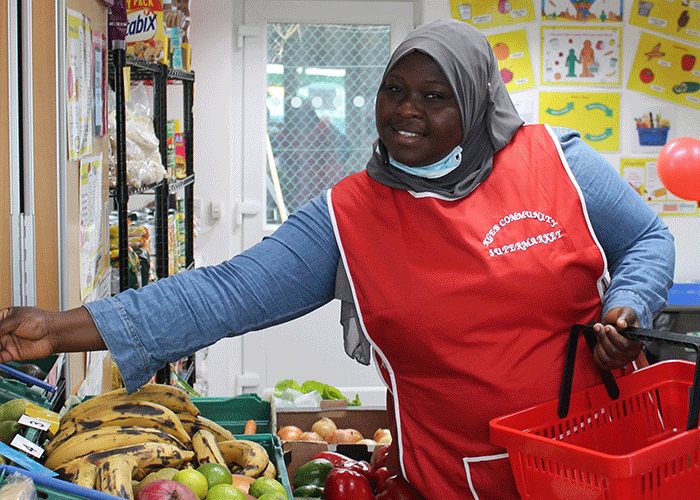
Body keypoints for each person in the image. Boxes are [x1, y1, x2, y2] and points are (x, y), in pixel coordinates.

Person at [0, 19, 674, 499]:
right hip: (451, 476)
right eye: (394, 90)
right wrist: (58, 329)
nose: (406, 112)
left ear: (476, 102)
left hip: (593, 456)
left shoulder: (557, 162)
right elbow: (226, 294)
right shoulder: (349, 216)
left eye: (435, 97)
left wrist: (631, 302)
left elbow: (649, 239)